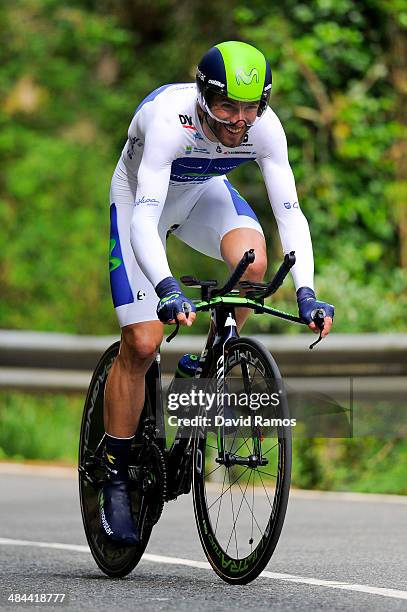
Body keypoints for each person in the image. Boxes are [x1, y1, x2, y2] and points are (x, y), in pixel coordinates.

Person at [100, 40, 334, 544]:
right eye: (227, 106)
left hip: (204, 194)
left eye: (250, 108)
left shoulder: (265, 129)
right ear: (203, 96)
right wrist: (165, 287)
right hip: (141, 203)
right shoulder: (168, 120)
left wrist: (307, 292)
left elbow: (290, 213)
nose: (238, 121)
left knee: (255, 264)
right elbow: (144, 219)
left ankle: (207, 362)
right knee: (141, 343)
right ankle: (115, 476)